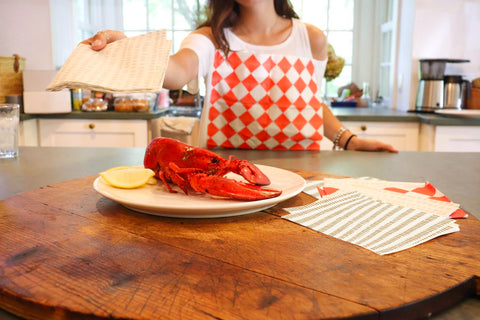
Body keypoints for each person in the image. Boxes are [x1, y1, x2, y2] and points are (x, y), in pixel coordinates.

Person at [82, 0, 397, 152]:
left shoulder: (310, 38)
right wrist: (130, 49)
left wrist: (350, 141)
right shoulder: (211, 37)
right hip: (225, 177)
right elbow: (176, 73)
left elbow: (311, 105)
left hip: (305, 176)